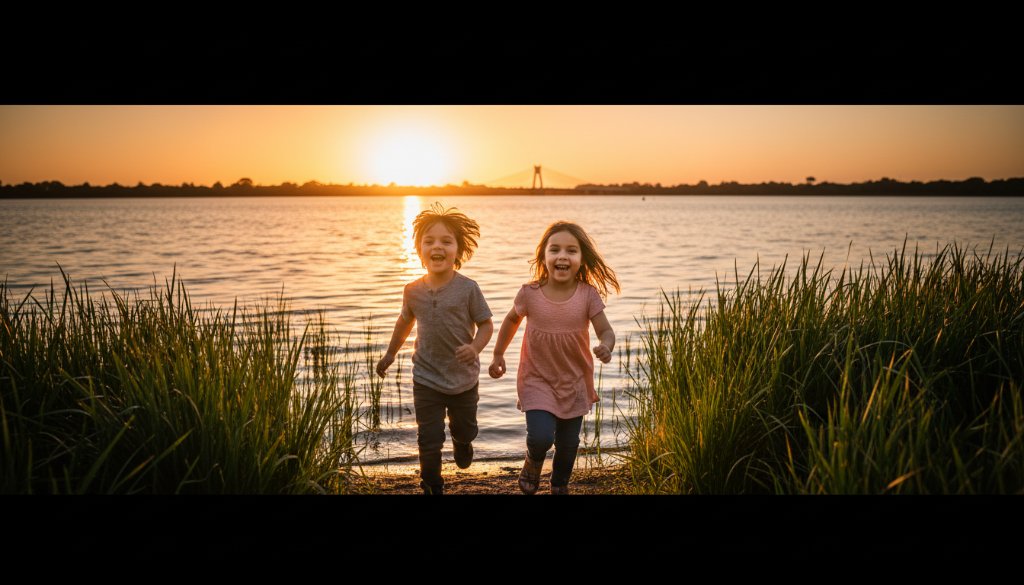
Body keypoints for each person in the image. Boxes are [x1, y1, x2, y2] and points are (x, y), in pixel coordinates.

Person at [489, 221, 619, 495]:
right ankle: (533, 460)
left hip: (574, 382)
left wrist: (606, 345)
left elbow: (605, 330)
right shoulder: (530, 293)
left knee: (568, 443)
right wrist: (498, 354)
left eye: (571, 250)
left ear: (582, 259)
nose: (562, 256)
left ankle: (559, 483)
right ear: (543, 257)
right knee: (540, 437)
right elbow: (511, 320)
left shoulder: (587, 295)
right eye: (555, 249)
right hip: (536, 379)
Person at [376, 203, 493, 495]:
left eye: (445, 241)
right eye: (428, 241)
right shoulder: (412, 290)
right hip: (426, 377)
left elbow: (487, 326)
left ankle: (463, 442)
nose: (436, 246)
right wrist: (390, 354)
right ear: (418, 249)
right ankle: (432, 485)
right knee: (428, 437)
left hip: (464, 380)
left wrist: (475, 347)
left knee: (464, 428)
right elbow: (404, 322)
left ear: (458, 250)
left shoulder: (468, 289)